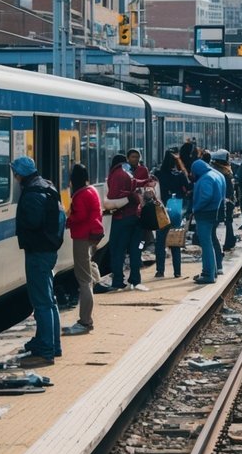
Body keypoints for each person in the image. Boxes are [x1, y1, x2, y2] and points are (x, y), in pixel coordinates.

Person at [12, 156, 64, 367]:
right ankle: (52, 344)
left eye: (15, 172)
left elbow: (33, 221)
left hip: (38, 251)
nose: (14, 177)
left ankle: (45, 351)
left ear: (20, 174)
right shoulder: (45, 185)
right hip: (48, 249)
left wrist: (21, 222)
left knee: (41, 302)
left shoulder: (33, 192)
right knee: (48, 300)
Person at [64, 164, 104, 336]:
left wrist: (67, 219)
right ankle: (86, 320)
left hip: (82, 236)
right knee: (87, 276)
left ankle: (85, 321)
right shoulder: (92, 190)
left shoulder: (80, 195)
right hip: (92, 235)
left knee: (83, 280)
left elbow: (79, 216)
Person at [104, 153, 145, 292]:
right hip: (136, 217)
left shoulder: (116, 174)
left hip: (122, 218)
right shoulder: (128, 173)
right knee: (135, 249)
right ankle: (135, 279)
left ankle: (117, 281)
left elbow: (112, 198)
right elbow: (137, 184)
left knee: (117, 250)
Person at [153, 149, 189, 279]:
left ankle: (160, 271)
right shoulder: (180, 175)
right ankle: (177, 272)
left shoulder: (158, 174)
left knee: (160, 242)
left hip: (161, 209)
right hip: (176, 209)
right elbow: (189, 188)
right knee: (175, 240)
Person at [190, 157, 226, 284]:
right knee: (210, 242)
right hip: (216, 211)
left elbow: (206, 196)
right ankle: (214, 271)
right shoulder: (217, 174)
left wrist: (195, 208)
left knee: (206, 244)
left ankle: (208, 274)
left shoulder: (206, 178)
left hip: (206, 213)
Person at [210, 149, 237, 250]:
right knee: (228, 221)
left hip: (225, 200)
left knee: (223, 222)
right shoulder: (227, 170)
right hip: (229, 199)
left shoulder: (220, 171)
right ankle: (230, 240)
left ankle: (229, 241)